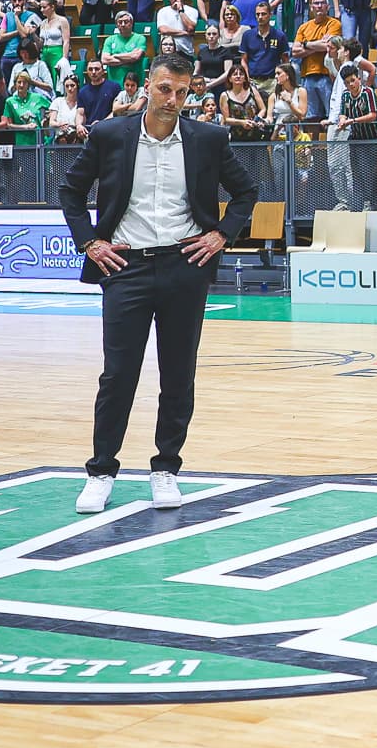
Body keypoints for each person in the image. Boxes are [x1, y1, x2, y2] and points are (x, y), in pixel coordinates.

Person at [60, 49, 260, 512]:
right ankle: (101, 471)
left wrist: (221, 235)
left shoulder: (209, 138)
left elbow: (247, 190)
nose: (172, 99)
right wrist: (90, 242)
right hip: (124, 267)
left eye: (182, 92)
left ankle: (166, 468)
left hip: (184, 266)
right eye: (165, 89)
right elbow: (70, 190)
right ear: (147, 85)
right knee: (118, 374)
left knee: (178, 373)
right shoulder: (110, 134)